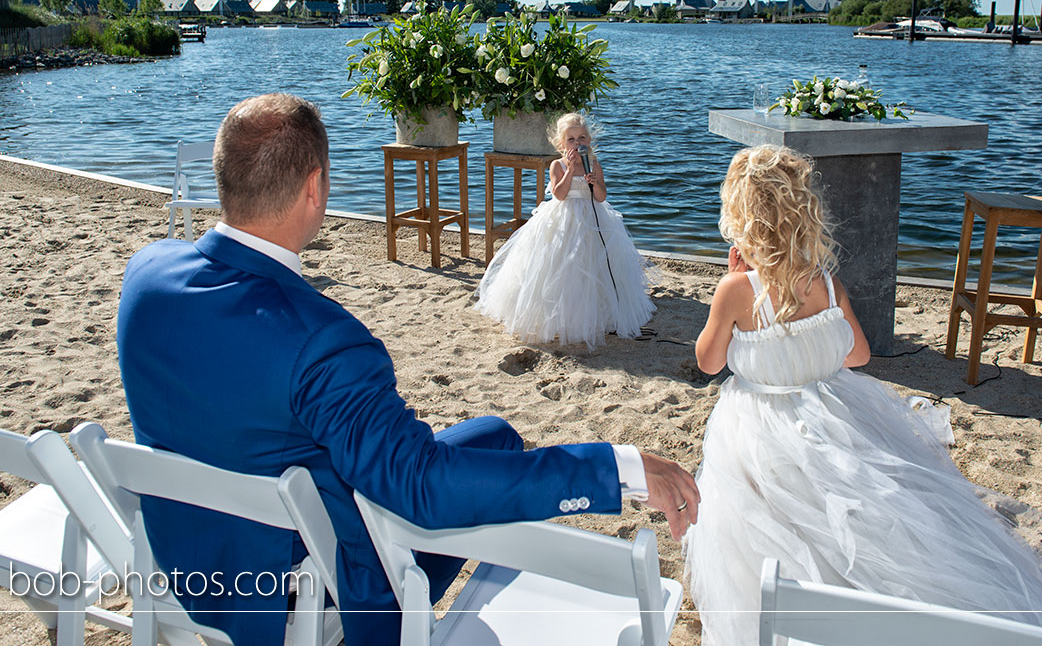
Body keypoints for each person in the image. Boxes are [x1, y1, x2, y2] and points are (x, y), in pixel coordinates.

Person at [116, 94, 699, 646]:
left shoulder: (145, 276)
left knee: (493, 435)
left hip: (185, 565)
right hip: (301, 592)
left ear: (224, 177)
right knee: (488, 449)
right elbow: (422, 486)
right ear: (316, 187)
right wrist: (617, 468)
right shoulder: (322, 339)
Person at [682, 145, 1042, 646]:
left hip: (755, 432)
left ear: (741, 217)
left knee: (760, 526)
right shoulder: (826, 283)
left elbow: (708, 363)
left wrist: (733, 282)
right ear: (803, 211)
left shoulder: (736, 290)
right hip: (833, 412)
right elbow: (858, 356)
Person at [475, 112, 654, 348]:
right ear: (561, 144)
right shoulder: (557, 165)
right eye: (571, 139)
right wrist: (570, 170)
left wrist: (594, 183)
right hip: (563, 219)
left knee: (592, 264)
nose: (577, 143)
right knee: (560, 266)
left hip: (592, 219)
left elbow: (601, 197)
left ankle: (598, 315)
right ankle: (558, 318)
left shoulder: (595, 164)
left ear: (589, 140)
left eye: (581, 138)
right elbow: (559, 194)